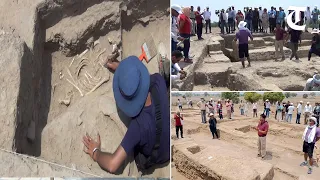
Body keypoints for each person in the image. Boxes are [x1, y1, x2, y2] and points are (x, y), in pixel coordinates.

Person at [82, 56, 169, 173]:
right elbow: (141, 79)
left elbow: (112, 165)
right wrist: (123, 70)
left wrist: (95, 153)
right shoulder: (158, 81)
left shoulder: (137, 126)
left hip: (158, 157)